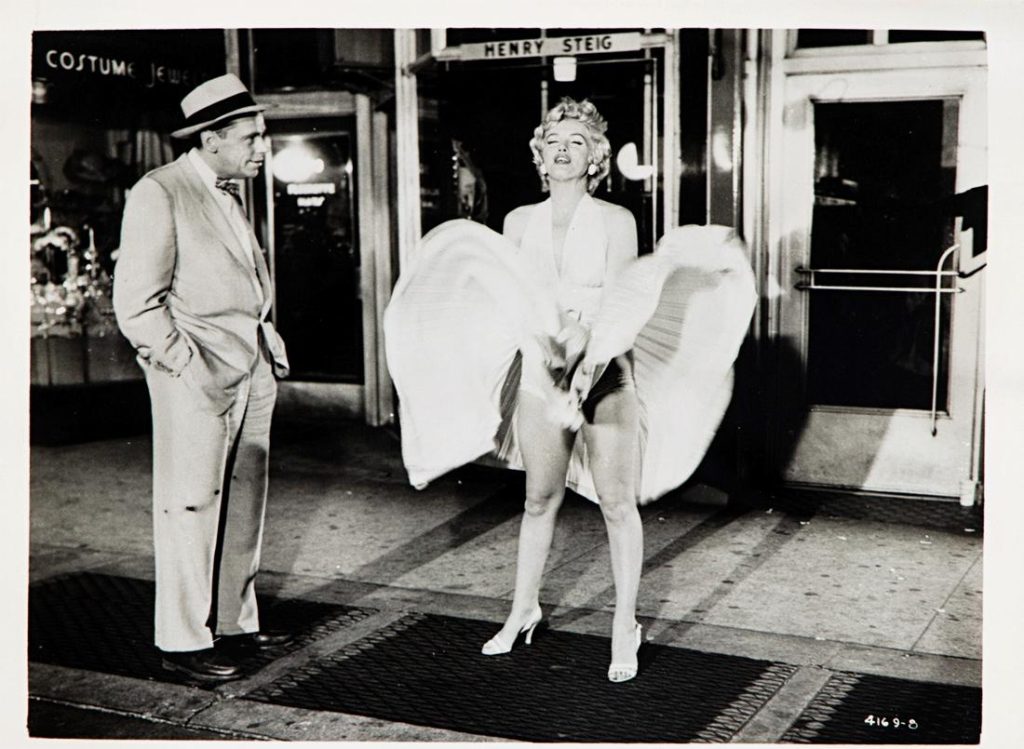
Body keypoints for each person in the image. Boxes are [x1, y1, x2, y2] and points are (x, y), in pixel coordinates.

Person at [113, 73, 291, 683]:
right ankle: (183, 642)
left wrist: (264, 342)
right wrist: (184, 364)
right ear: (211, 138)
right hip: (196, 374)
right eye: (251, 137)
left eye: (262, 135)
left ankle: (235, 624)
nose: (262, 148)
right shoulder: (160, 191)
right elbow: (137, 303)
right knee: (189, 507)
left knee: (244, 503)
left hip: (251, 368)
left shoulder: (230, 192)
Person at [482, 98, 644, 682]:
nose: (563, 149)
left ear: (595, 157)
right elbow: (512, 301)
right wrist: (545, 352)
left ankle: (625, 625)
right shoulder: (517, 222)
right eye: (553, 141)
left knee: (617, 504)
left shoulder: (617, 221)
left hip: (604, 374)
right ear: (539, 155)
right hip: (540, 373)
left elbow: (623, 306)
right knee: (537, 500)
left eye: (577, 141)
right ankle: (523, 609)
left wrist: (584, 351)